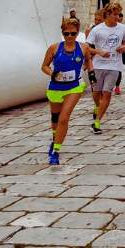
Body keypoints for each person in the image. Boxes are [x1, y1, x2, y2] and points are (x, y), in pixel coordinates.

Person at [41, 18, 92, 165]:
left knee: (64, 118)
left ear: (77, 33)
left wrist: (92, 74)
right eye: (66, 33)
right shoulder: (54, 48)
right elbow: (44, 66)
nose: (69, 36)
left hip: (74, 86)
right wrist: (52, 73)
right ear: (62, 33)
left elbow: (88, 60)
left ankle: (56, 151)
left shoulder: (83, 47)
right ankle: (54, 138)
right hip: (55, 87)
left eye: (73, 33)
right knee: (55, 119)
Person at [86, 1, 125, 134]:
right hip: (99, 65)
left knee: (107, 92)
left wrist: (124, 47)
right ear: (107, 14)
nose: (117, 17)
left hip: (114, 65)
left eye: (118, 14)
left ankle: (97, 122)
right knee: (96, 92)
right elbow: (86, 47)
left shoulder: (122, 28)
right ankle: (97, 105)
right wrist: (99, 52)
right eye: (114, 14)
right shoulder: (97, 29)